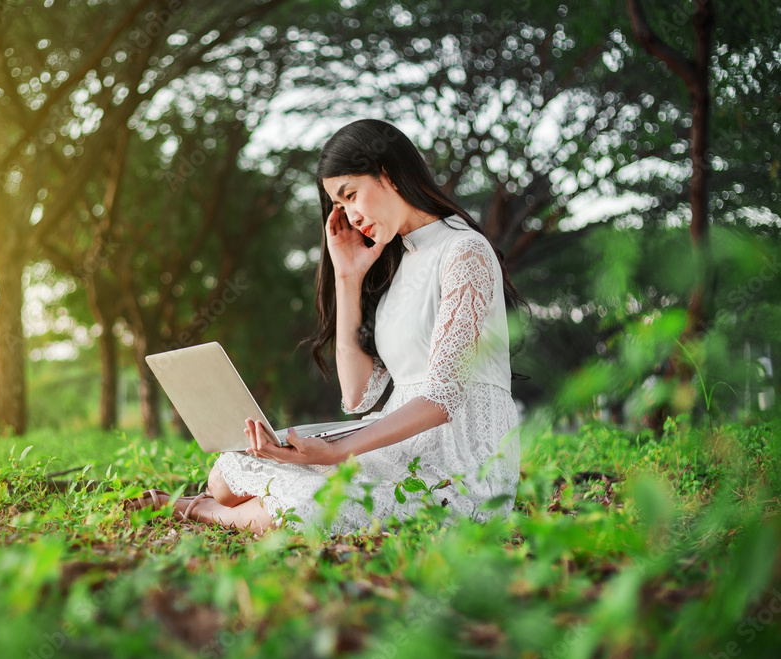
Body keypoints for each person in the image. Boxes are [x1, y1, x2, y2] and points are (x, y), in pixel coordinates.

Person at [127, 119, 522, 534]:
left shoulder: (464, 251)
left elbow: (441, 400)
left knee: (308, 509)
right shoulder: (402, 259)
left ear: (387, 173)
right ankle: (231, 502)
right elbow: (357, 395)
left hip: (460, 467)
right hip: (395, 449)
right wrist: (347, 278)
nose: (351, 217)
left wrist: (335, 453)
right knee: (226, 474)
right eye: (340, 205)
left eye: (351, 195)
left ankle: (204, 511)